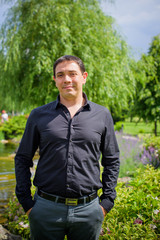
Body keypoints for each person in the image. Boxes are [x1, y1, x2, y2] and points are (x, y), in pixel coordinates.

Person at [15, 55, 120, 240]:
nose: (67, 80)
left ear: (84, 76)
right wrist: (27, 203)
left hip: (89, 211)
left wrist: (107, 202)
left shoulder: (102, 115)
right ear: (54, 80)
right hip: (45, 210)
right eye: (61, 75)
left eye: (73, 73)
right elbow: (23, 158)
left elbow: (111, 160)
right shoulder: (38, 115)